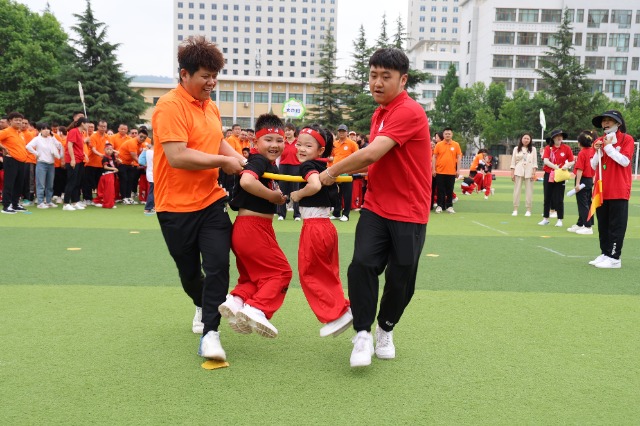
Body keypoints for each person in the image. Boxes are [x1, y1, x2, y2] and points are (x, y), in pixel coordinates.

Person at [319, 48, 431, 368]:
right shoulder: (379, 113)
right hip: (376, 206)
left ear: (402, 79)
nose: (377, 83)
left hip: (410, 211)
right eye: (373, 76)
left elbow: (371, 154)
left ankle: (386, 328)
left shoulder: (408, 111)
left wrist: (329, 173)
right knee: (362, 265)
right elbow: (379, 162)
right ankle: (364, 332)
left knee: (402, 279)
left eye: (386, 77)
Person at [151, 36, 246, 361]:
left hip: (211, 201)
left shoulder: (212, 107)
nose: (211, 82)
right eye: (205, 75)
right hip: (174, 207)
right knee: (190, 274)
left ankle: (211, 333)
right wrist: (224, 163)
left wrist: (242, 163)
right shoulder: (169, 106)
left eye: (214, 75)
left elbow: (218, 143)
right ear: (185, 75)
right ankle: (200, 303)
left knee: (219, 265)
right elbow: (177, 156)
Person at [219, 114, 291, 339]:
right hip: (253, 227)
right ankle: (257, 308)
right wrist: (274, 197)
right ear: (255, 142)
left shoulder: (269, 165)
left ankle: (236, 300)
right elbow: (247, 182)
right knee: (281, 272)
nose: (274, 145)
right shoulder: (259, 161)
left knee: (252, 277)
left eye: (279, 140)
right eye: (268, 140)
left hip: (247, 228)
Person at [289, 125, 352, 337]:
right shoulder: (322, 165)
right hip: (326, 227)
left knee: (310, 274)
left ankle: (337, 313)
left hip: (314, 227)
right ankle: (342, 309)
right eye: (299, 144)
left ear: (320, 150)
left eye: (308, 145)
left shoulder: (308, 166)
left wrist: (297, 196)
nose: (301, 148)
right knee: (328, 272)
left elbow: (314, 186)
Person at [588, 110, 634, 269]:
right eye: (604, 121)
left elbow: (625, 161)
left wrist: (608, 148)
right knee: (603, 225)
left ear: (618, 123)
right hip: (602, 190)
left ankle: (615, 258)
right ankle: (605, 253)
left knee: (616, 225)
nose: (605, 123)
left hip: (619, 190)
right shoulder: (600, 140)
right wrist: (597, 151)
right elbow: (593, 165)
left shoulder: (626, 139)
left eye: (609, 120)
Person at [539, 129, 574, 227]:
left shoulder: (566, 148)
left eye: (561, 136)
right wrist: (556, 167)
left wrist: (566, 166)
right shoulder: (548, 148)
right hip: (549, 174)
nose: (559, 138)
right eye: (557, 136)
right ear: (553, 138)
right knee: (547, 197)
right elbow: (546, 161)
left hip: (560, 175)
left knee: (559, 198)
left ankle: (560, 219)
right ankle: (545, 218)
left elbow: (572, 161)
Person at [26, 122, 63, 208]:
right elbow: (28, 146)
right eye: (44, 129)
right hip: (41, 163)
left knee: (50, 184)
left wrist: (53, 136)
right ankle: (40, 202)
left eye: (48, 129)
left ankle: (49, 201)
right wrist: (36, 153)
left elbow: (59, 145)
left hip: (51, 164)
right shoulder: (37, 139)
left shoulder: (51, 139)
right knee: (41, 184)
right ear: (40, 130)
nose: (46, 131)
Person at [567, 131, 597, 235]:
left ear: (580, 143)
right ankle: (581, 223)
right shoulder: (592, 151)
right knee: (587, 202)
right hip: (589, 180)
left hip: (583, 180)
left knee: (583, 204)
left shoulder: (582, 152)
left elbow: (579, 169)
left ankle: (588, 226)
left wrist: (577, 184)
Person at [0, 112, 29, 214]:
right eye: (16, 120)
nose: (18, 122)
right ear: (10, 121)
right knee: (9, 183)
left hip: (21, 161)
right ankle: (6, 206)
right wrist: (2, 147)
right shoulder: (6, 131)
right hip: (11, 160)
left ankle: (15, 204)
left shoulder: (20, 133)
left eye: (20, 120)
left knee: (19, 184)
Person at [329, 124, 359, 221]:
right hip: (336, 172)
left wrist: (353, 170)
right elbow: (332, 157)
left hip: (347, 171)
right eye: (340, 131)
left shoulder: (352, 143)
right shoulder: (335, 144)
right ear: (338, 132)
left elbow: (358, 156)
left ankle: (346, 214)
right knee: (336, 193)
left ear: (347, 132)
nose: (341, 133)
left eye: (343, 131)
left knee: (347, 194)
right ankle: (337, 213)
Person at [62, 117, 89, 211]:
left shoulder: (81, 133)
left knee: (77, 182)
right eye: (87, 123)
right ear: (82, 123)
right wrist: (73, 159)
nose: (88, 125)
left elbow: (79, 146)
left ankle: (75, 201)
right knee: (71, 182)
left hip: (80, 159)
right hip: (73, 160)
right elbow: (69, 145)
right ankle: (66, 203)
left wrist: (84, 154)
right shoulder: (73, 131)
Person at [432, 127, 461, 213]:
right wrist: (434, 169)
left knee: (450, 190)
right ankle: (439, 206)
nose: (447, 135)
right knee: (440, 190)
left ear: (452, 135)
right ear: (443, 135)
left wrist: (458, 170)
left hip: (451, 172)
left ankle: (449, 206)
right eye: (446, 134)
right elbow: (434, 157)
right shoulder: (439, 145)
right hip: (440, 171)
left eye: (449, 134)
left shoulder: (456, 145)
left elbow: (459, 157)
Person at [277, 122, 301, 221]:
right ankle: (281, 214)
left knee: (296, 191)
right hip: (283, 167)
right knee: (282, 192)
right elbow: (277, 157)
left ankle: (297, 215)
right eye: (286, 131)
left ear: (294, 131)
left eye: (289, 130)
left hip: (296, 167)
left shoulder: (298, 142)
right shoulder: (282, 142)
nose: (287, 132)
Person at [510, 133, 537, 216]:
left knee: (529, 191)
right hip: (518, 171)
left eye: (528, 139)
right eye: (524, 138)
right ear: (521, 139)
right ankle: (515, 209)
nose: (526, 140)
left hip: (529, 171)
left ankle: (528, 210)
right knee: (517, 190)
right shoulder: (516, 149)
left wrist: (534, 173)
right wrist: (512, 173)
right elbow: (513, 162)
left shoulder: (533, 149)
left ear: (530, 140)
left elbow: (535, 162)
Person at [96, 143, 118, 209]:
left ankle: (111, 202)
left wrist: (113, 151)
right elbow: (105, 167)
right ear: (104, 150)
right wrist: (114, 169)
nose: (109, 151)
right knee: (109, 190)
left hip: (111, 174)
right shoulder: (105, 158)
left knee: (111, 190)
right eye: (107, 149)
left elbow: (117, 153)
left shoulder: (112, 157)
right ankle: (107, 204)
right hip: (107, 175)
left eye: (111, 149)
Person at [138, 139, 155, 214]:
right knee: (153, 191)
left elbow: (141, 161)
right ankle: (148, 208)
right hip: (155, 173)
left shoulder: (146, 151)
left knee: (153, 190)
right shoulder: (157, 151)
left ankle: (152, 207)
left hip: (150, 172)